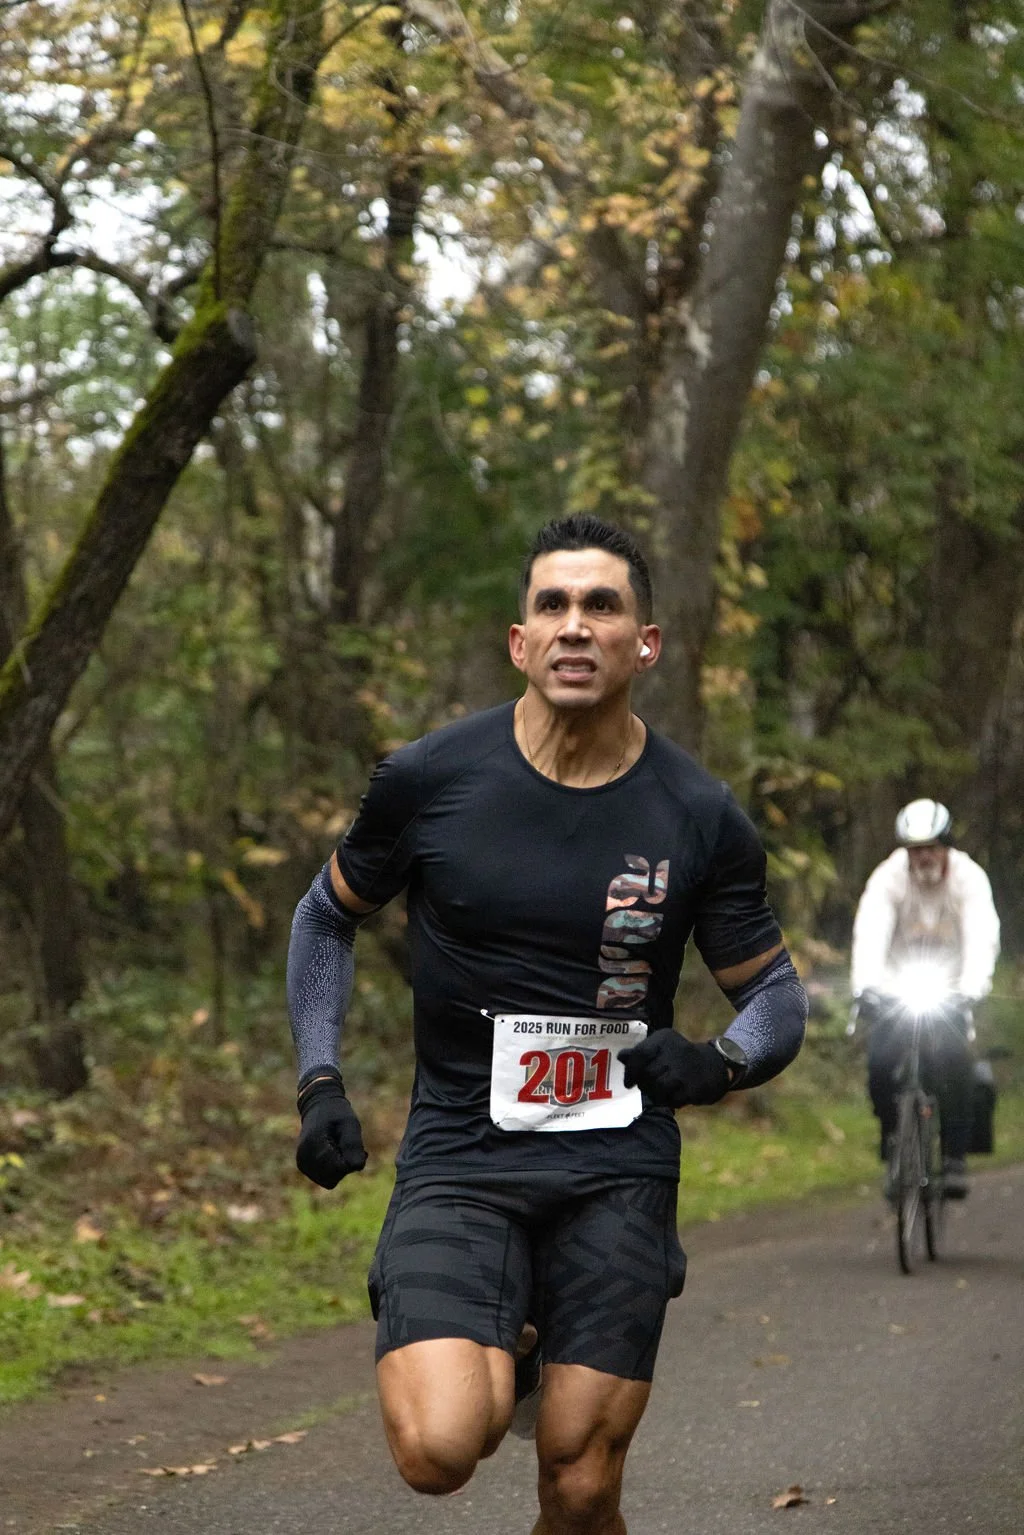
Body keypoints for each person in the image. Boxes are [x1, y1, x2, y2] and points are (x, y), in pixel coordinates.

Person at [286, 514, 807, 1535]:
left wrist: (718, 1062)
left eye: (601, 604)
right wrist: (319, 1080)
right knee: (440, 1447)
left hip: (617, 1163)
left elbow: (777, 994)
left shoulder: (698, 813)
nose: (576, 624)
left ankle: (535, 1336)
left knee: (578, 1482)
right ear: (520, 641)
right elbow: (324, 916)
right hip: (462, 1151)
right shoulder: (429, 779)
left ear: (644, 643)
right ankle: (511, 1340)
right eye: (553, 605)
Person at [850, 798, 1001, 1199]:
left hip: (952, 989)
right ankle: (892, 1137)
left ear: (946, 846)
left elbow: (982, 935)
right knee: (880, 1063)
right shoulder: (889, 877)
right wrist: (866, 986)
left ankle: (954, 1156)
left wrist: (973, 987)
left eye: (931, 847)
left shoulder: (969, 879)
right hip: (896, 987)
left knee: (954, 1060)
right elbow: (871, 931)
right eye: (916, 849)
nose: (924, 857)